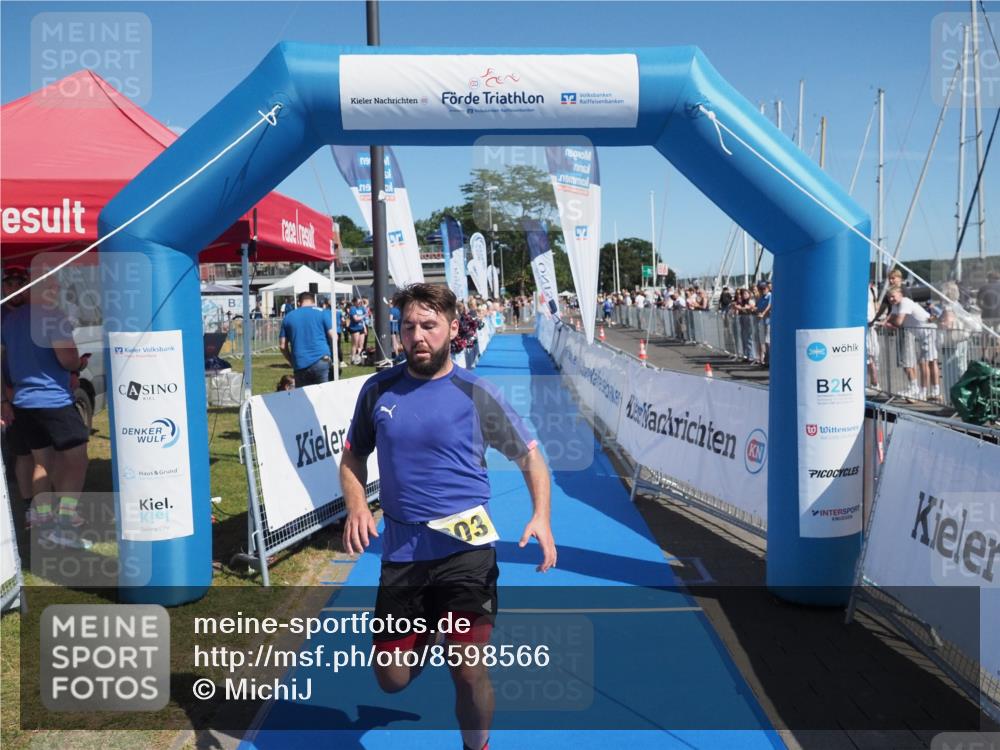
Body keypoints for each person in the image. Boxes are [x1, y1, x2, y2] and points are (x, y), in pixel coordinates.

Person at [340, 283, 556, 750]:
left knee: (468, 668)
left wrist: (541, 516)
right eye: (409, 326)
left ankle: (476, 746)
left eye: (429, 326)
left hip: (466, 552)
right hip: (403, 555)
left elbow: (531, 457)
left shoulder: (476, 392)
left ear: (453, 329)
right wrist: (358, 506)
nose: (417, 336)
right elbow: (353, 457)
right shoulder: (378, 389)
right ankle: (431, 633)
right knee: (391, 679)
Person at [0, 263, 90, 545]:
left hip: (24, 403)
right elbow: (67, 359)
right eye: (52, 285)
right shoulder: (52, 316)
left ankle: (43, 525)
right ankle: (64, 526)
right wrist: (78, 364)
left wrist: (4, 397)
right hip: (53, 401)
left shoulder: (10, 321)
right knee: (76, 462)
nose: (57, 289)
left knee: (42, 463)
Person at [885, 285, 939, 401]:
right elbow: (891, 319)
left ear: (900, 294)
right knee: (923, 362)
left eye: (893, 297)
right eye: (889, 298)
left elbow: (898, 322)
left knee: (925, 362)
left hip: (928, 331)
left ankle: (925, 392)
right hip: (920, 334)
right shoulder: (896, 305)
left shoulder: (905, 302)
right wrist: (885, 321)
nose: (891, 300)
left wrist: (888, 322)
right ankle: (929, 391)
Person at [279, 291, 335, 387]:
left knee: (304, 398)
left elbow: (282, 345)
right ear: (314, 302)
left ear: (299, 303)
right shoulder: (322, 313)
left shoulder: (288, 317)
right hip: (321, 359)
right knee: (324, 395)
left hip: (300, 362)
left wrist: (290, 360)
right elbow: (334, 336)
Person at [347, 297, 367, 365]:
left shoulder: (362, 308)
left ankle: (358, 357)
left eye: (360, 302)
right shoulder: (353, 308)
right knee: (354, 344)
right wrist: (363, 316)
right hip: (355, 328)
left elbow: (363, 319)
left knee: (361, 345)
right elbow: (356, 319)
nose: (359, 304)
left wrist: (364, 328)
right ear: (354, 302)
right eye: (358, 302)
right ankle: (352, 358)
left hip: (361, 327)